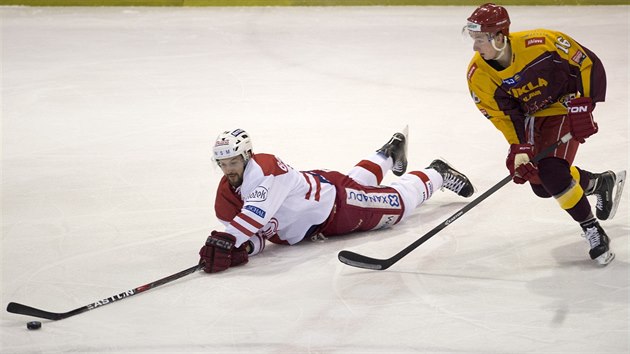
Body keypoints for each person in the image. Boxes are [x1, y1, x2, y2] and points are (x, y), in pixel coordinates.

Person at [463, 3, 626, 265]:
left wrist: (584, 105)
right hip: (531, 116)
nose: (474, 47)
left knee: (552, 172)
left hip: (564, 105)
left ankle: (591, 228)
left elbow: (586, 62)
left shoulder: (541, 43)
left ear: (500, 37)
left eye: (480, 39)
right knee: (541, 184)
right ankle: (598, 183)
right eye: (473, 39)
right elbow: (503, 116)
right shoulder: (478, 75)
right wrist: (519, 149)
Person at [198, 127, 476, 273]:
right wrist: (244, 249)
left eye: (233, 161)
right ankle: (387, 154)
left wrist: (229, 239)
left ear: (247, 155)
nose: (228, 169)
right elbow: (256, 235)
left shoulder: (265, 169)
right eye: (222, 164)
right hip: (323, 192)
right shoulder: (225, 200)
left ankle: (436, 173)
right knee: (358, 183)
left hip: (338, 208)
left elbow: (253, 218)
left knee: (398, 204)